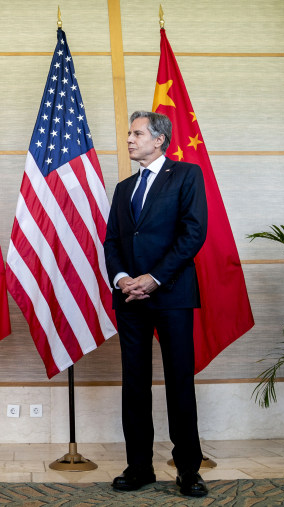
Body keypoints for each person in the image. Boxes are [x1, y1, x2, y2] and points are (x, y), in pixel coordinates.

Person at [103, 111, 209, 497]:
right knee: (134, 384)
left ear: (159, 139)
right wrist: (122, 280)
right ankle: (139, 467)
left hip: (172, 294)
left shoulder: (186, 175)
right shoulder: (123, 187)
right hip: (130, 298)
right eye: (129, 133)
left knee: (179, 381)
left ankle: (188, 470)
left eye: (137, 133)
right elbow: (112, 242)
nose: (130, 139)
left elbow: (193, 232)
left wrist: (154, 278)